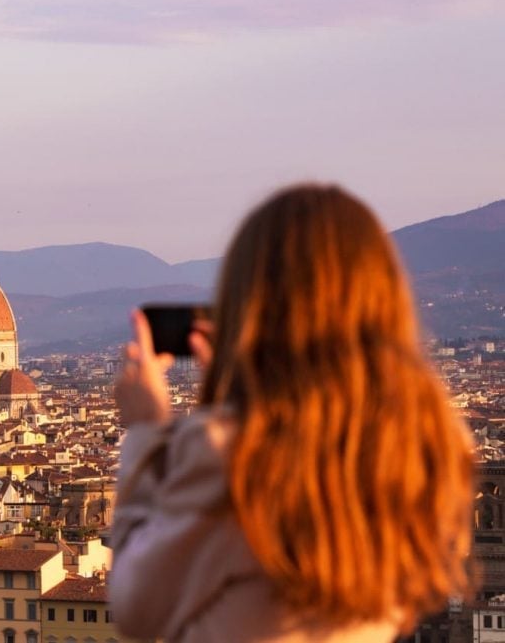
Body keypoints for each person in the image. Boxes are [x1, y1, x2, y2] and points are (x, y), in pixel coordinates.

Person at [109, 184, 473, 642]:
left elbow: (135, 609)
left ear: (250, 301)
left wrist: (145, 431)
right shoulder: (431, 446)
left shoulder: (231, 452)